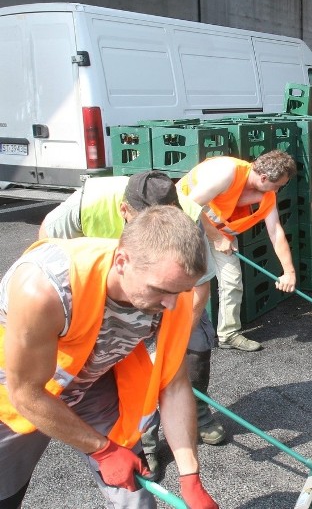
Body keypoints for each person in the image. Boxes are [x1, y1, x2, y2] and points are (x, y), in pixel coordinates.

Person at [0, 205, 217, 509]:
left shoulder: (172, 291)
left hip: (93, 380)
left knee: (135, 490)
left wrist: (189, 475)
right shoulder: (45, 288)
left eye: (180, 292)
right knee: (5, 493)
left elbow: (175, 383)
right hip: (18, 390)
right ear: (121, 261)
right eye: (160, 291)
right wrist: (101, 449)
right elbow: (25, 392)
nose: (171, 305)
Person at [38, 170, 228, 478]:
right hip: (99, 299)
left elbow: (199, 290)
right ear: (126, 212)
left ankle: (194, 417)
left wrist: (170, 343)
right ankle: (147, 442)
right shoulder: (89, 203)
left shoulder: (185, 220)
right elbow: (48, 245)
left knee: (192, 350)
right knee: (124, 375)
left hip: (167, 295)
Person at [178, 150, 298, 352]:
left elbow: (275, 231)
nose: (277, 191)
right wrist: (217, 238)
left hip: (215, 229)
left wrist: (289, 272)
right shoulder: (226, 172)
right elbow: (189, 205)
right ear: (263, 177)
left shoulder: (266, 194)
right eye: (277, 186)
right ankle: (177, 340)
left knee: (232, 279)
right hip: (182, 220)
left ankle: (228, 335)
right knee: (196, 283)